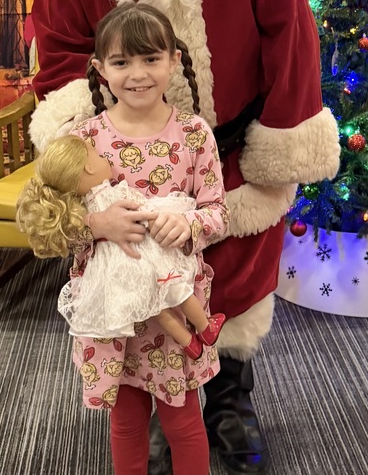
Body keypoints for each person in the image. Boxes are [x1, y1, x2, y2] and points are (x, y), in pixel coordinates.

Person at [29, 0, 341, 475]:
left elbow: (288, 26)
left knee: (234, 280)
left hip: (232, 147)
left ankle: (230, 401)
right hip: (129, 164)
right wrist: (86, 156)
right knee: (145, 285)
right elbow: (60, 50)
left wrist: (281, 135)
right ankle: (160, 405)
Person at [24, 2, 230, 475]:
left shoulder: (194, 135)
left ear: (173, 61)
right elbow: (46, 219)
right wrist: (98, 224)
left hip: (171, 311)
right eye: (121, 62)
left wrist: (188, 226)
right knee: (125, 417)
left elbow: (218, 212)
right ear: (100, 70)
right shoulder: (82, 140)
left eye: (150, 58)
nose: (137, 73)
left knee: (182, 420)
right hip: (112, 313)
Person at [16, 131, 227, 356]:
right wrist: (158, 217)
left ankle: (188, 342)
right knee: (177, 289)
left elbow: (66, 232)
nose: (104, 158)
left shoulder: (79, 206)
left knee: (156, 308)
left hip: (116, 274)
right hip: (143, 257)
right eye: (98, 155)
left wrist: (93, 224)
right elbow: (141, 210)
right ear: (89, 167)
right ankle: (206, 328)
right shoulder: (113, 190)